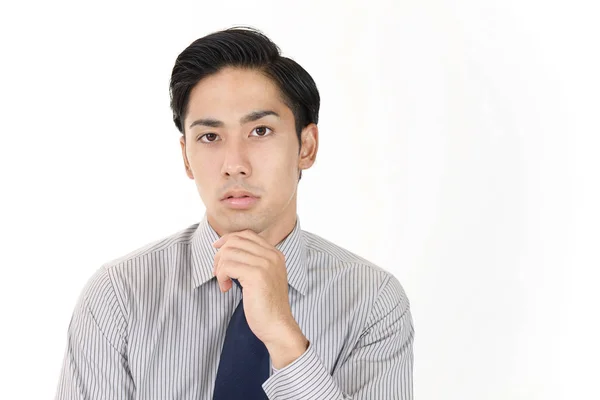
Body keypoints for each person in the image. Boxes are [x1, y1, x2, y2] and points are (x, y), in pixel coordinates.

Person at [55, 27, 414, 399]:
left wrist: (284, 338)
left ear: (306, 146)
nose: (234, 165)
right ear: (186, 157)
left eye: (260, 131)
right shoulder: (119, 296)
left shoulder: (372, 301)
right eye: (210, 137)